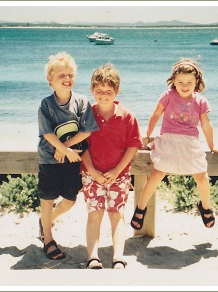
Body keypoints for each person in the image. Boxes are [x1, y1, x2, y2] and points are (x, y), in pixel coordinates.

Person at [130, 58, 218, 231]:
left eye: (189, 82)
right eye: (180, 82)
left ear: (197, 82)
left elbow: (206, 125)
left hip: (190, 143)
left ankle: (206, 207)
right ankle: (141, 208)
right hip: (169, 140)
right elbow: (155, 115)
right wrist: (146, 135)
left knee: (202, 176)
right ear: (173, 81)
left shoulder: (201, 101)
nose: (184, 85)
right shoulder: (168, 95)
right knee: (156, 174)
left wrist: (212, 146)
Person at [37, 52, 99, 260]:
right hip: (49, 159)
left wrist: (66, 147)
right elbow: (47, 133)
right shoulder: (46, 104)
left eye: (70, 75)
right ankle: (48, 239)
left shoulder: (81, 101)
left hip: (71, 160)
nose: (67, 79)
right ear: (50, 79)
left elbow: (86, 131)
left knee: (70, 200)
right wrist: (63, 150)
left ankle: (46, 222)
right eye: (61, 75)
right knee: (47, 199)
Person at [81, 64, 143, 269]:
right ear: (91, 89)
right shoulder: (86, 115)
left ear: (116, 92)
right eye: (98, 90)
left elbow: (133, 147)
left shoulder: (127, 117)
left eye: (108, 91)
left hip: (120, 175)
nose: (103, 95)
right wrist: (92, 172)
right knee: (94, 214)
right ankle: (92, 257)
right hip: (92, 175)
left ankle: (118, 256)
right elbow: (82, 147)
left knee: (116, 215)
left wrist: (116, 172)